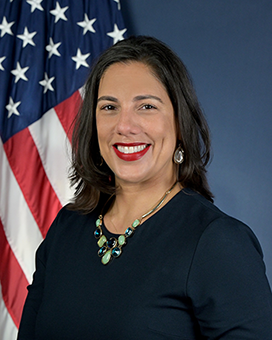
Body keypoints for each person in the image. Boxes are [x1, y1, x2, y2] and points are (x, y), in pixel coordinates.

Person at [17, 36, 272, 339]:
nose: (124, 125)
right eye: (109, 107)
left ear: (179, 122)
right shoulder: (66, 228)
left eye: (147, 106)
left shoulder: (218, 242)